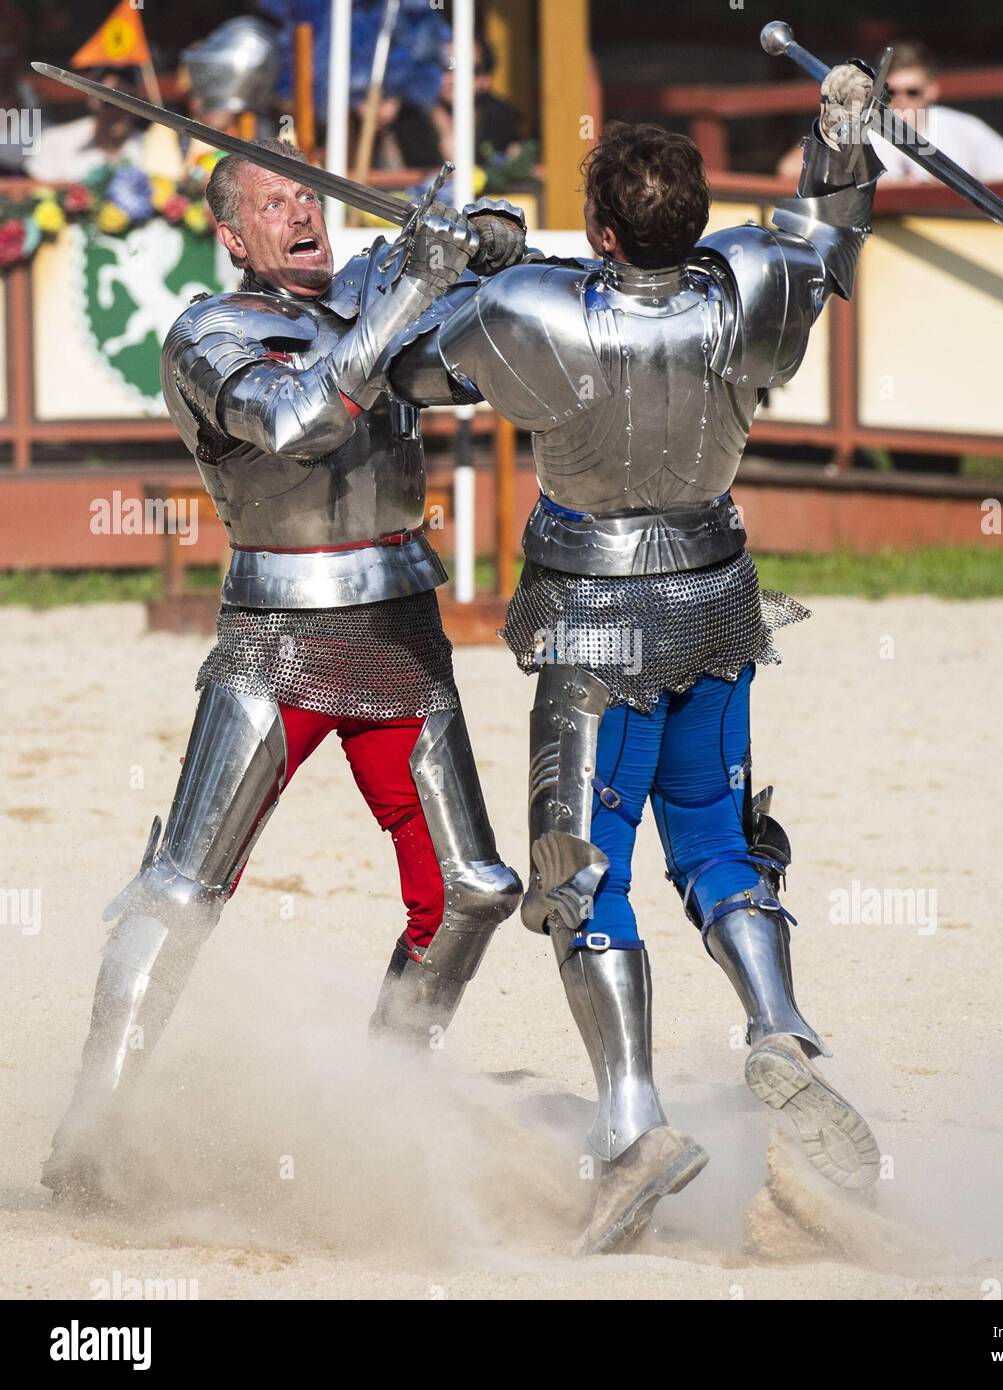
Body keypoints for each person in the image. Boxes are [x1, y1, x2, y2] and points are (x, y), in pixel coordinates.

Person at [388, 62, 884, 1254]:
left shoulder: (543, 316)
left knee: (578, 878)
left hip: (598, 619)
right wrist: (843, 141)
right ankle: (779, 1026)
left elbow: (407, 370)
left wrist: (456, 260)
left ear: (602, 227)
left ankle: (632, 1124)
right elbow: (828, 245)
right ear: (695, 217)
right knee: (714, 840)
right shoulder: (748, 285)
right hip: (716, 591)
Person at [42, 137, 529, 1203]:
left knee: (471, 891)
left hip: (400, 619)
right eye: (273, 201)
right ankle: (92, 1131)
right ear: (231, 233)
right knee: (179, 891)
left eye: (309, 193)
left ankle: (382, 1105)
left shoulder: (372, 290)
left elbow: (477, 352)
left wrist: (484, 239)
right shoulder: (208, 333)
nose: (301, 212)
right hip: (277, 631)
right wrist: (417, 287)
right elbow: (299, 420)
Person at [776, 40, 1003, 187]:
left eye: (913, 92)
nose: (902, 100)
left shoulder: (963, 129)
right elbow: (789, 170)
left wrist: (963, 193)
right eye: (892, 92)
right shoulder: (859, 127)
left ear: (932, 91)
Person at [382, 36, 524, 170]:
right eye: (445, 68)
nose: (454, 79)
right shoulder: (405, 118)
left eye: (468, 70)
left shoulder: (504, 120)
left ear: (485, 78)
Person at [27, 66, 147, 181]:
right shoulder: (55, 142)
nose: (118, 109)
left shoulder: (153, 147)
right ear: (92, 100)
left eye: (129, 101)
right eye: (109, 101)